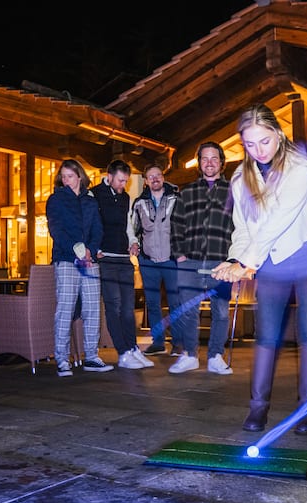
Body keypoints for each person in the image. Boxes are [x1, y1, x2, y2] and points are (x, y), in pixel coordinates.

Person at [212, 104, 307, 435]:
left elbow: (279, 218)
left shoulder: (302, 168)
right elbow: (244, 228)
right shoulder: (240, 176)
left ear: (278, 135)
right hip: (270, 259)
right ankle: (258, 408)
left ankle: (305, 412)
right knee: (265, 334)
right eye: (249, 144)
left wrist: (248, 262)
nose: (257, 151)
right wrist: (235, 259)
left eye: (264, 142)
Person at [170, 142, 235, 375]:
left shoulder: (234, 191)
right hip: (190, 261)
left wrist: (235, 259)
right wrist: (179, 255)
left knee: (221, 311)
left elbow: (241, 227)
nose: (209, 163)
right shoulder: (186, 192)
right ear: (199, 163)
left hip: (222, 261)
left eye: (214, 158)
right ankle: (190, 355)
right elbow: (175, 225)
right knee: (188, 310)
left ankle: (216, 356)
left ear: (221, 162)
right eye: (204, 159)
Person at [46, 159, 112, 376]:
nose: (66, 180)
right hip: (66, 258)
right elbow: (56, 230)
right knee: (65, 307)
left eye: (70, 176)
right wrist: (76, 249)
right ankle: (62, 359)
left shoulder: (90, 202)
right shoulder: (56, 200)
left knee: (93, 307)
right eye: (63, 176)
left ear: (80, 176)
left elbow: (98, 230)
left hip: (90, 260)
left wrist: (90, 250)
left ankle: (91, 357)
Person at [93, 159, 153, 370]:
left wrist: (134, 242)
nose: (122, 185)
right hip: (105, 258)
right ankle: (123, 352)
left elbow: (128, 224)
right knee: (114, 306)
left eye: (126, 181)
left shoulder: (125, 197)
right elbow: (92, 223)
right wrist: (93, 248)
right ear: (108, 176)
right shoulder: (95, 194)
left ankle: (133, 348)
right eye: (120, 181)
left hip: (124, 259)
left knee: (128, 309)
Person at [132, 164, 183, 357]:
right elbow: (134, 229)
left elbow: (184, 227)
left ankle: (178, 343)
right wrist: (134, 244)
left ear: (163, 177)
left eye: (158, 176)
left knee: (175, 302)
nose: (155, 179)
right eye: (150, 176)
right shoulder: (139, 203)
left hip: (171, 260)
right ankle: (158, 342)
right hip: (148, 261)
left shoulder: (177, 199)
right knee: (152, 303)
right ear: (145, 181)